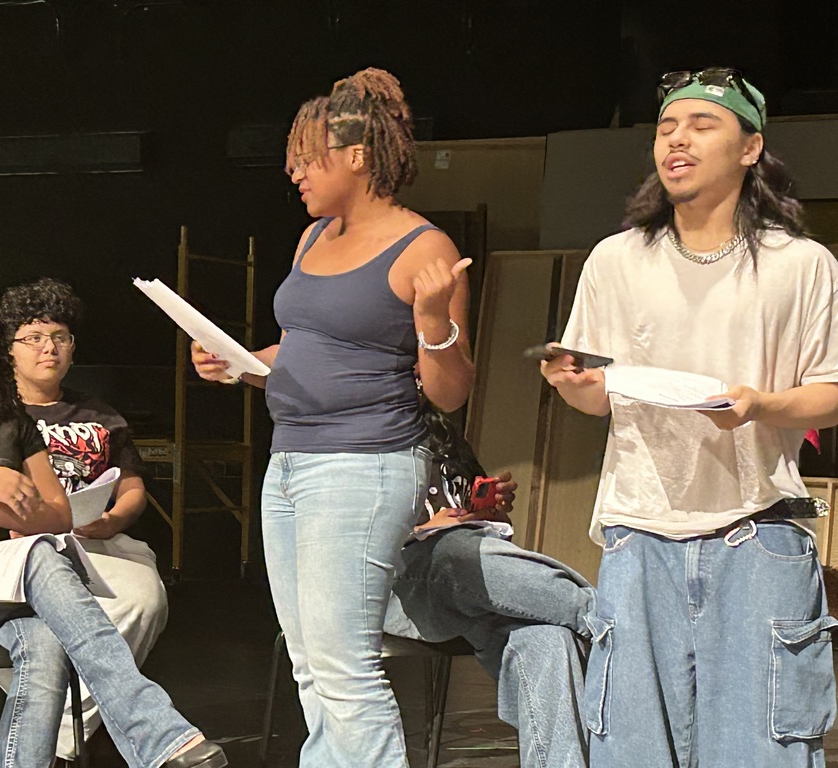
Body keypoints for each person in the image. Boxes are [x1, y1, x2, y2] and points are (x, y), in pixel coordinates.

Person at [541, 68, 838, 767]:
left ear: (749, 147)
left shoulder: (801, 265)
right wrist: (569, 382)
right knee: (630, 748)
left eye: (702, 125)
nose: (678, 140)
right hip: (639, 532)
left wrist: (762, 404)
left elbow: (830, 388)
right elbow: (598, 396)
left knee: (762, 748)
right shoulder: (616, 261)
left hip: (758, 534)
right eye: (667, 128)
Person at [193, 69, 473, 767]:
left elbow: (450, 390)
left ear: (356, 155)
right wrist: (241, 361)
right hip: (289, 462)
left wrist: (434, 320)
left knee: (345, 666)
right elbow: (308, 347)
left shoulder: (423, 249)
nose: (293, 171)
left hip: (363, 466)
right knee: (311, 664)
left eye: (307, 156)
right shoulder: (313, 237)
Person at [0, 276, 225, 768]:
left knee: (46, 640)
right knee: (41, 555)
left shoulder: (11, 418)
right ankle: (151, 731)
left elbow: (58, 512)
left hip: (2, 583)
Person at [0, 276, 167, 762]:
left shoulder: (101, 414)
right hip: (23, 546)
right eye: (35, 338)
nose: (50, 348)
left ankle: (53, 736)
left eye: (60, 337)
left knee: (145, 600)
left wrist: (113, 520)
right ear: (10, 349)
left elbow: (130, 484)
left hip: (95, 536)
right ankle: (64, 740)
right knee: (38, 628)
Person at [383, 408, 593, 768]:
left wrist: (488, 515)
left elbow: (474, 526)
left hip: (465, 587)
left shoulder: (442, 433)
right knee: (454, 551)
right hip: (398, 582)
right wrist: (421, 529)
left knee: (549, 638)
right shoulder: (357, 430)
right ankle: (609, 622)